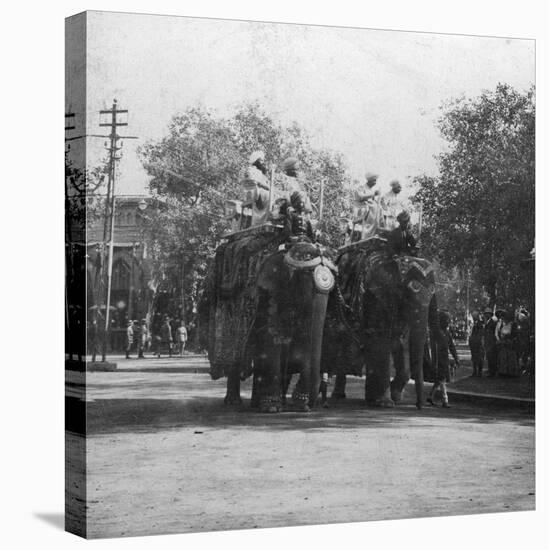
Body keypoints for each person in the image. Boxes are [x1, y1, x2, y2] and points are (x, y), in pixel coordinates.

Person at [427, 310, 460, 408]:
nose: (448, 322)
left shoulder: (447, 333)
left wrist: (456, 358)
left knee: (439, 380)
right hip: (438, 360)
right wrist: (434, 362)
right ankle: (445, 400)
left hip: (444, 359)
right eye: (446, 320)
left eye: (448, 320)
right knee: (442, 379)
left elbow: (452, 347)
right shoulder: (436, 333)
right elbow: (433, 349)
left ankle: (430, 396)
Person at [351, 172, 383, 241]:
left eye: (376, 180)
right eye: (374, 180)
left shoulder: (371, 190)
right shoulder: (361, 187)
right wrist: (373, 194)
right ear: (369, 180)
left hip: (370, 208)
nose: (375, 182)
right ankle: (367, 235)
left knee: (379, 208)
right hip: (361, 208)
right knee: (374, 208)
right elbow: (360, 197)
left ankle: (377, 231)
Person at [242, 150, 271, 227]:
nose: (263, 162)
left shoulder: (261, 172)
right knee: (270, 196)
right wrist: (267, 187)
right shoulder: (251, 170)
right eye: (261, 160)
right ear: (256, 161)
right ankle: (266, 219)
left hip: (262, 191)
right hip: (255, 192)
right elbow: (253, 181)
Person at [495, 310, 520, 376]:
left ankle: (511, 372)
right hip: (502, 342)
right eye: (502, 317)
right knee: (503, 357)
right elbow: (497, 333)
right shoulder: (500, 324)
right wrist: (499, 340)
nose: (503, 318)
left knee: (511, 357)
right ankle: (503, 371)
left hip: (510, 342)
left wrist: (511, 340)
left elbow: (515, 334)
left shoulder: (512, 324)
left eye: (504, 317)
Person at [468, 311, 485, 377]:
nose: (474, 317)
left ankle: (479, 372)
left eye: (475, 316)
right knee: (474, 358)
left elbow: (480, 334)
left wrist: (479, 341)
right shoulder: (474, 324)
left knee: (479, 358)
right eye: (473, 316)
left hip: (478, 343)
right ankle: (475, 371)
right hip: (474, 343)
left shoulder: (480, 324)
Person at [484, 308, 499, 377]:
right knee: (489, 357)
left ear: (490, 314)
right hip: (488, 341)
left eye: (487, 314)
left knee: (492, 357)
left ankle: (493, 372)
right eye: (485, 314)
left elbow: (494, 332)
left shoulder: (492, 322)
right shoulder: (488, 321)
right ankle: (491, 370)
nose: (486, 315)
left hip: (491, 341)